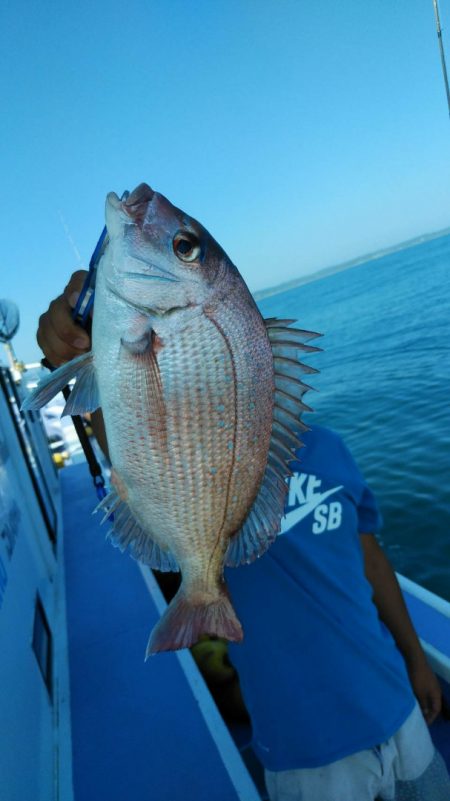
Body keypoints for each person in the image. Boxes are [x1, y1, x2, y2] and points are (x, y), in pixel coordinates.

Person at [37, 270, 450, 801]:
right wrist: (72, 355)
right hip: (304, 753)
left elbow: (369, 559)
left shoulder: (331, 449)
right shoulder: (199, 465)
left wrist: (417, 660)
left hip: (399, 707)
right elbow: (130, 437)